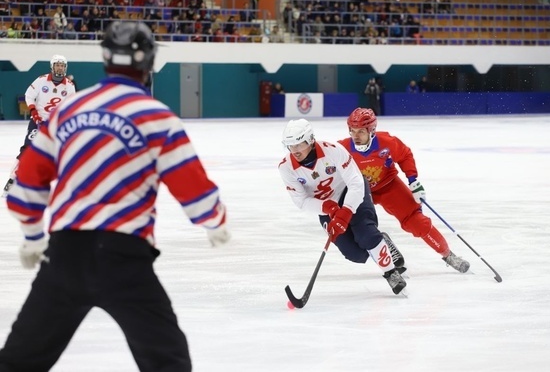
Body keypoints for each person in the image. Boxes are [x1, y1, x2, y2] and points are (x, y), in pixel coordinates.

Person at [0, 21, 230, 372]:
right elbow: (194, 190)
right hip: (126, 259)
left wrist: (33, 238)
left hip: (65, 256)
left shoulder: (67, 111)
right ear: (149, 61)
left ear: (105, 57)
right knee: (169, 362)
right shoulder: (157, 117)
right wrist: (215, 221)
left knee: (18, 361)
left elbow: (26, 186)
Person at [278, 119, 407, 295]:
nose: (295, 151)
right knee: (354, 254)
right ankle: (381, 240)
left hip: (351, 192)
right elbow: (301, 201)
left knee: (366, 234)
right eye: (290, 146)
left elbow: (355, 182)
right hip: (325, 207)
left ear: (310, 140)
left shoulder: (333, 150)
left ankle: (391, 273)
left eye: (299, 145)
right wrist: (329, 208)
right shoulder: (286, 167)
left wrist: (346, 211)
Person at [338, 108, 470, 273]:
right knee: (355, 231)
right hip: (360, 192)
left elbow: (405, 155)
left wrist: (413, 181)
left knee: (417, 223)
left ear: (371, 131)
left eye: (361, 132)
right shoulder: (342, 149)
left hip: (388, 186)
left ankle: (448, 255)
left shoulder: (387, 142)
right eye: (353, 131)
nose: (355, 136)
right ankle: (382, 243)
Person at [2, 54, 76, 197]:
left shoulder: (70, 86)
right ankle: (12, 180)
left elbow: (70, 105)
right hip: (37, 122)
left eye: (62, 65)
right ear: (52, 67)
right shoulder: (42, 81)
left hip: (55, 125)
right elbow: (28, 95)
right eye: (57, 65)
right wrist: (34, 111)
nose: (60, 68)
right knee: (27, 150)